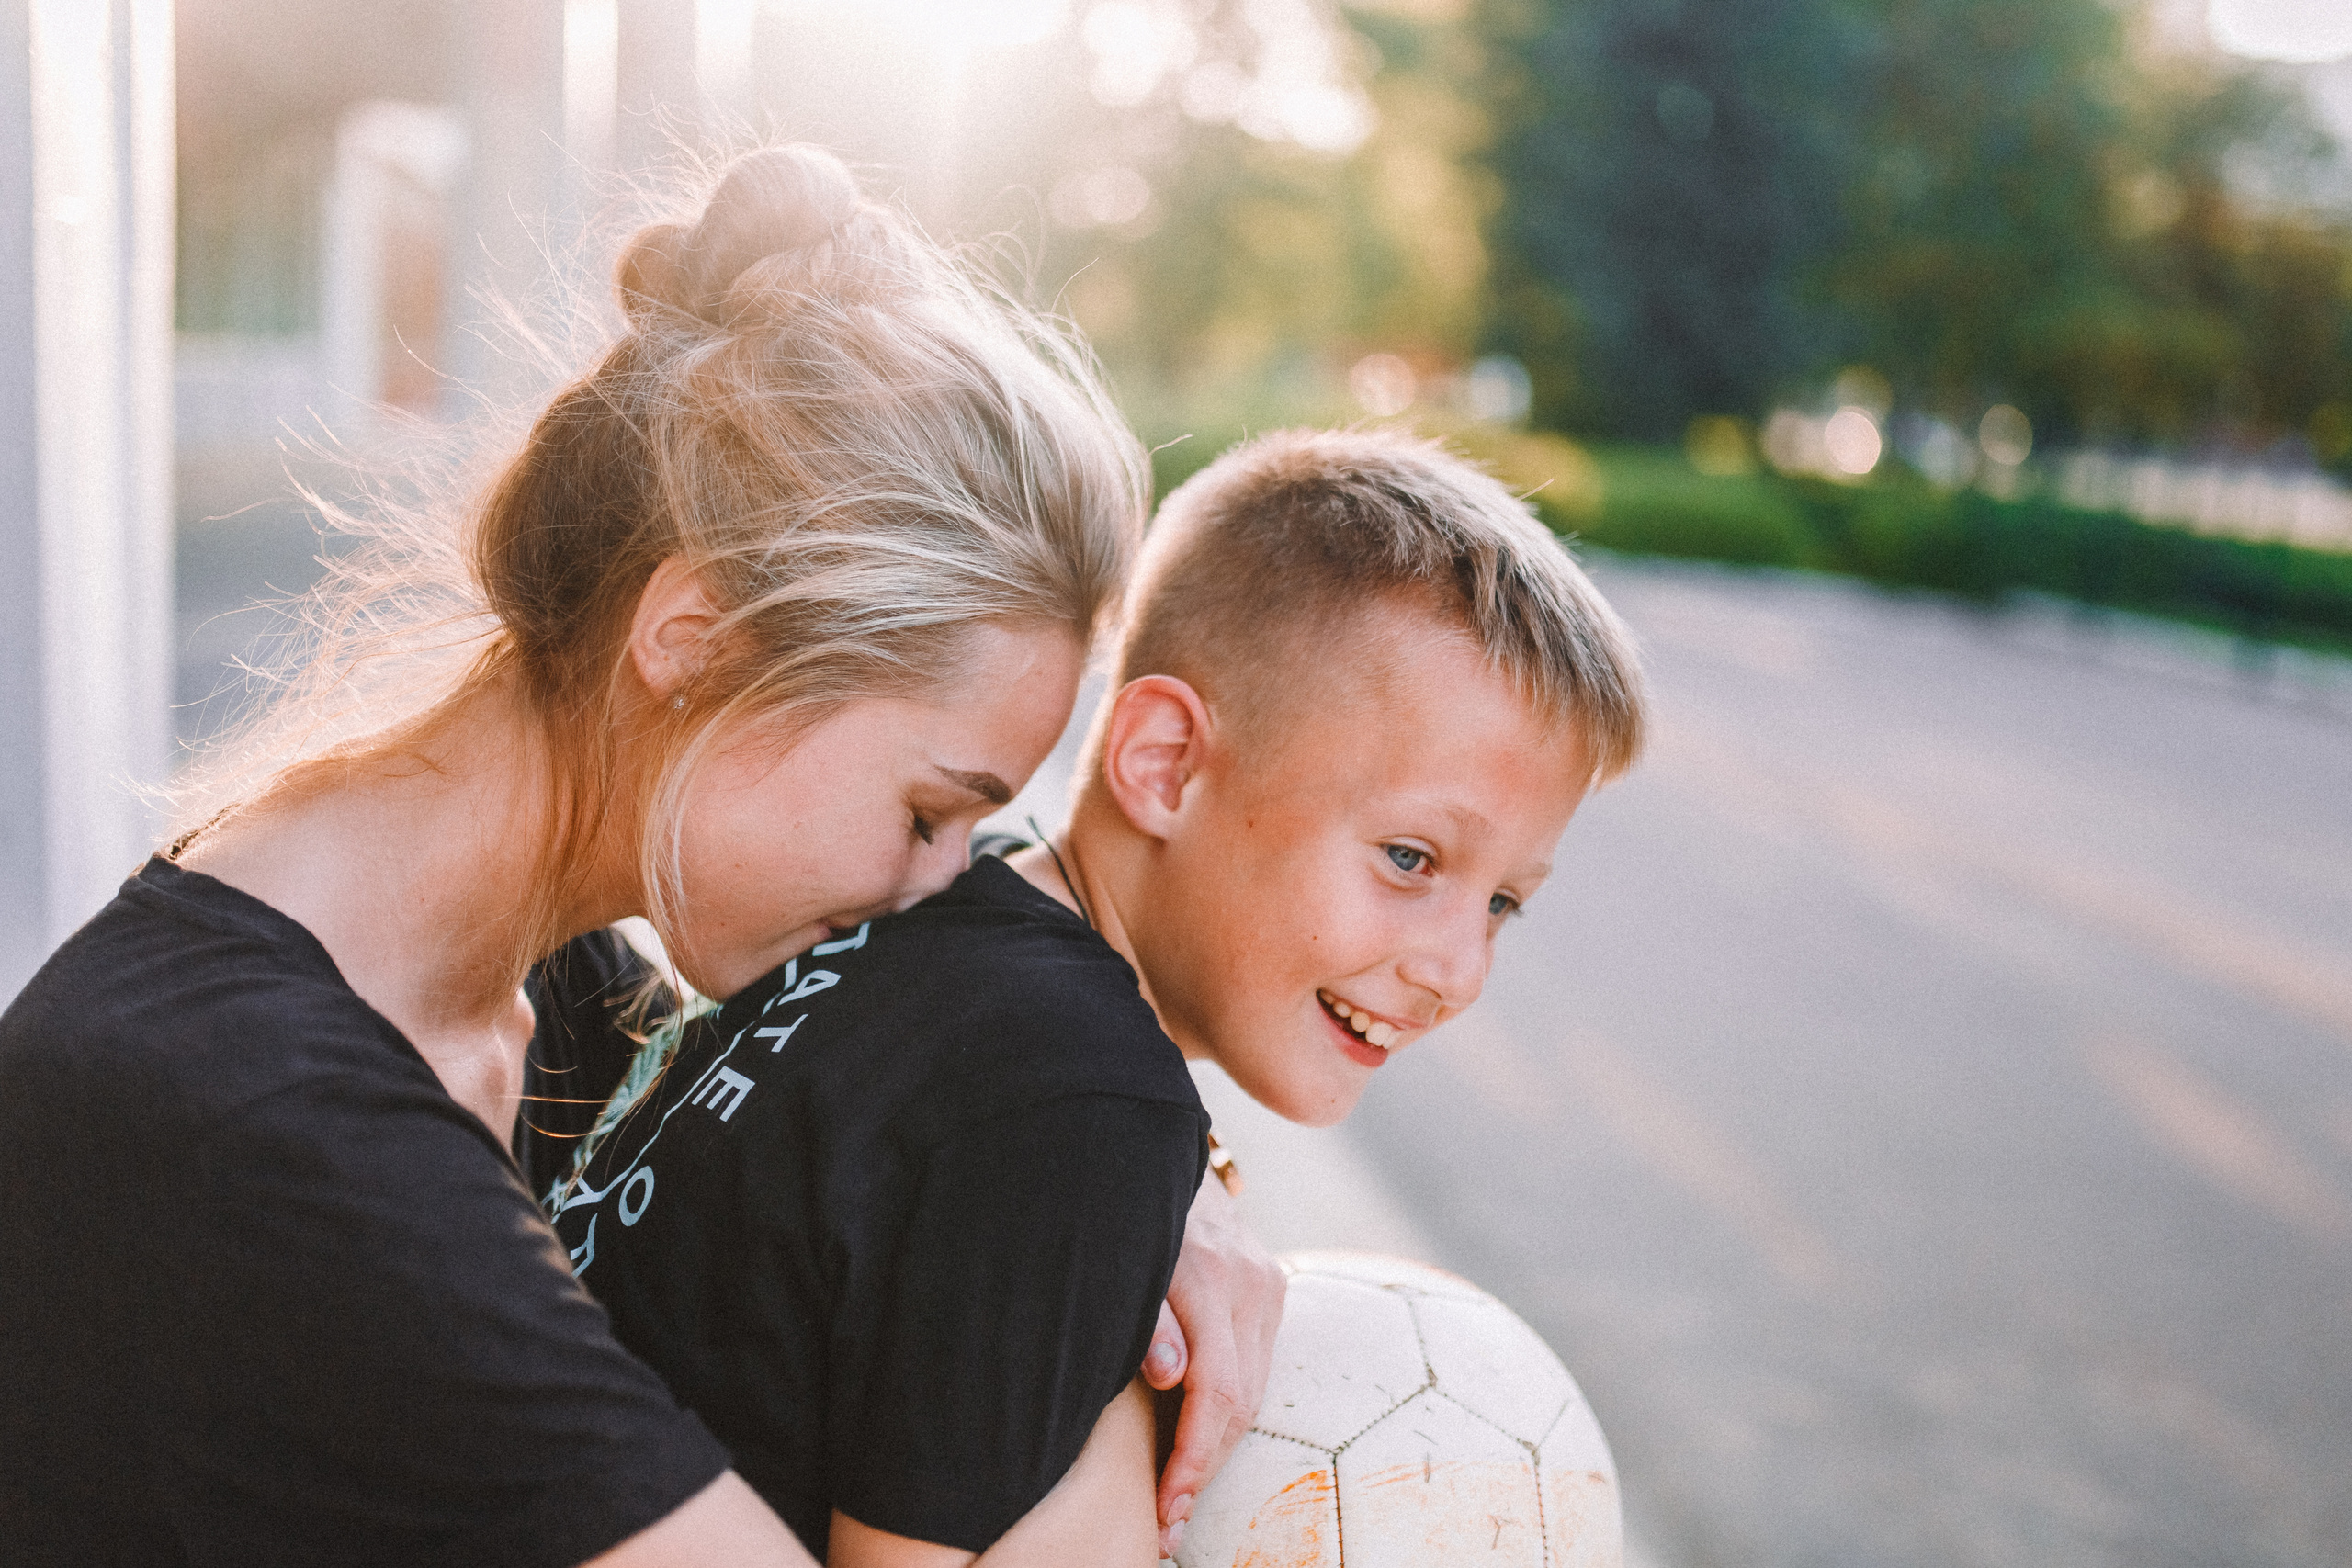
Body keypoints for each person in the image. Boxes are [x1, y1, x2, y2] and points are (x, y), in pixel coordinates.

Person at [0, 145, 1279, 1568]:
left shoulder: (567, 998)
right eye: (928, 811)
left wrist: (1101, 1215)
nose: (936, 885)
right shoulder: (251, 1114)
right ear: (698, 637)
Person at [549, 427, 1647, 1565]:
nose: (1457, 969)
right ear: (1165, 762)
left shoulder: (941, 920)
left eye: (1503, 903)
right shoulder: (1077, 1102)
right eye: (1411, 860)